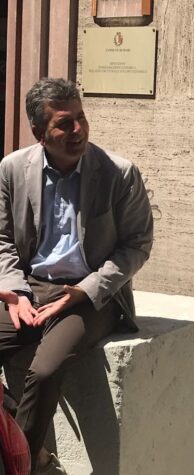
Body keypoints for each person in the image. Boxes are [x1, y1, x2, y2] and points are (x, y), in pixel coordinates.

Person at [0, 78, 153, 474]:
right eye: (64, 124)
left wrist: (84, 291)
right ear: (39, 132)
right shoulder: (13, 168)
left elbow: (137, 245)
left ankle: (20, 465)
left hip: (92, 295)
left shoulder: (119, 172)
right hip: (30, 287)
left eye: (81, 118)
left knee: (44, 371)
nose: (78, 130)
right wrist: (14, 291)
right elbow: (3, 240)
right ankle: (32, 454)